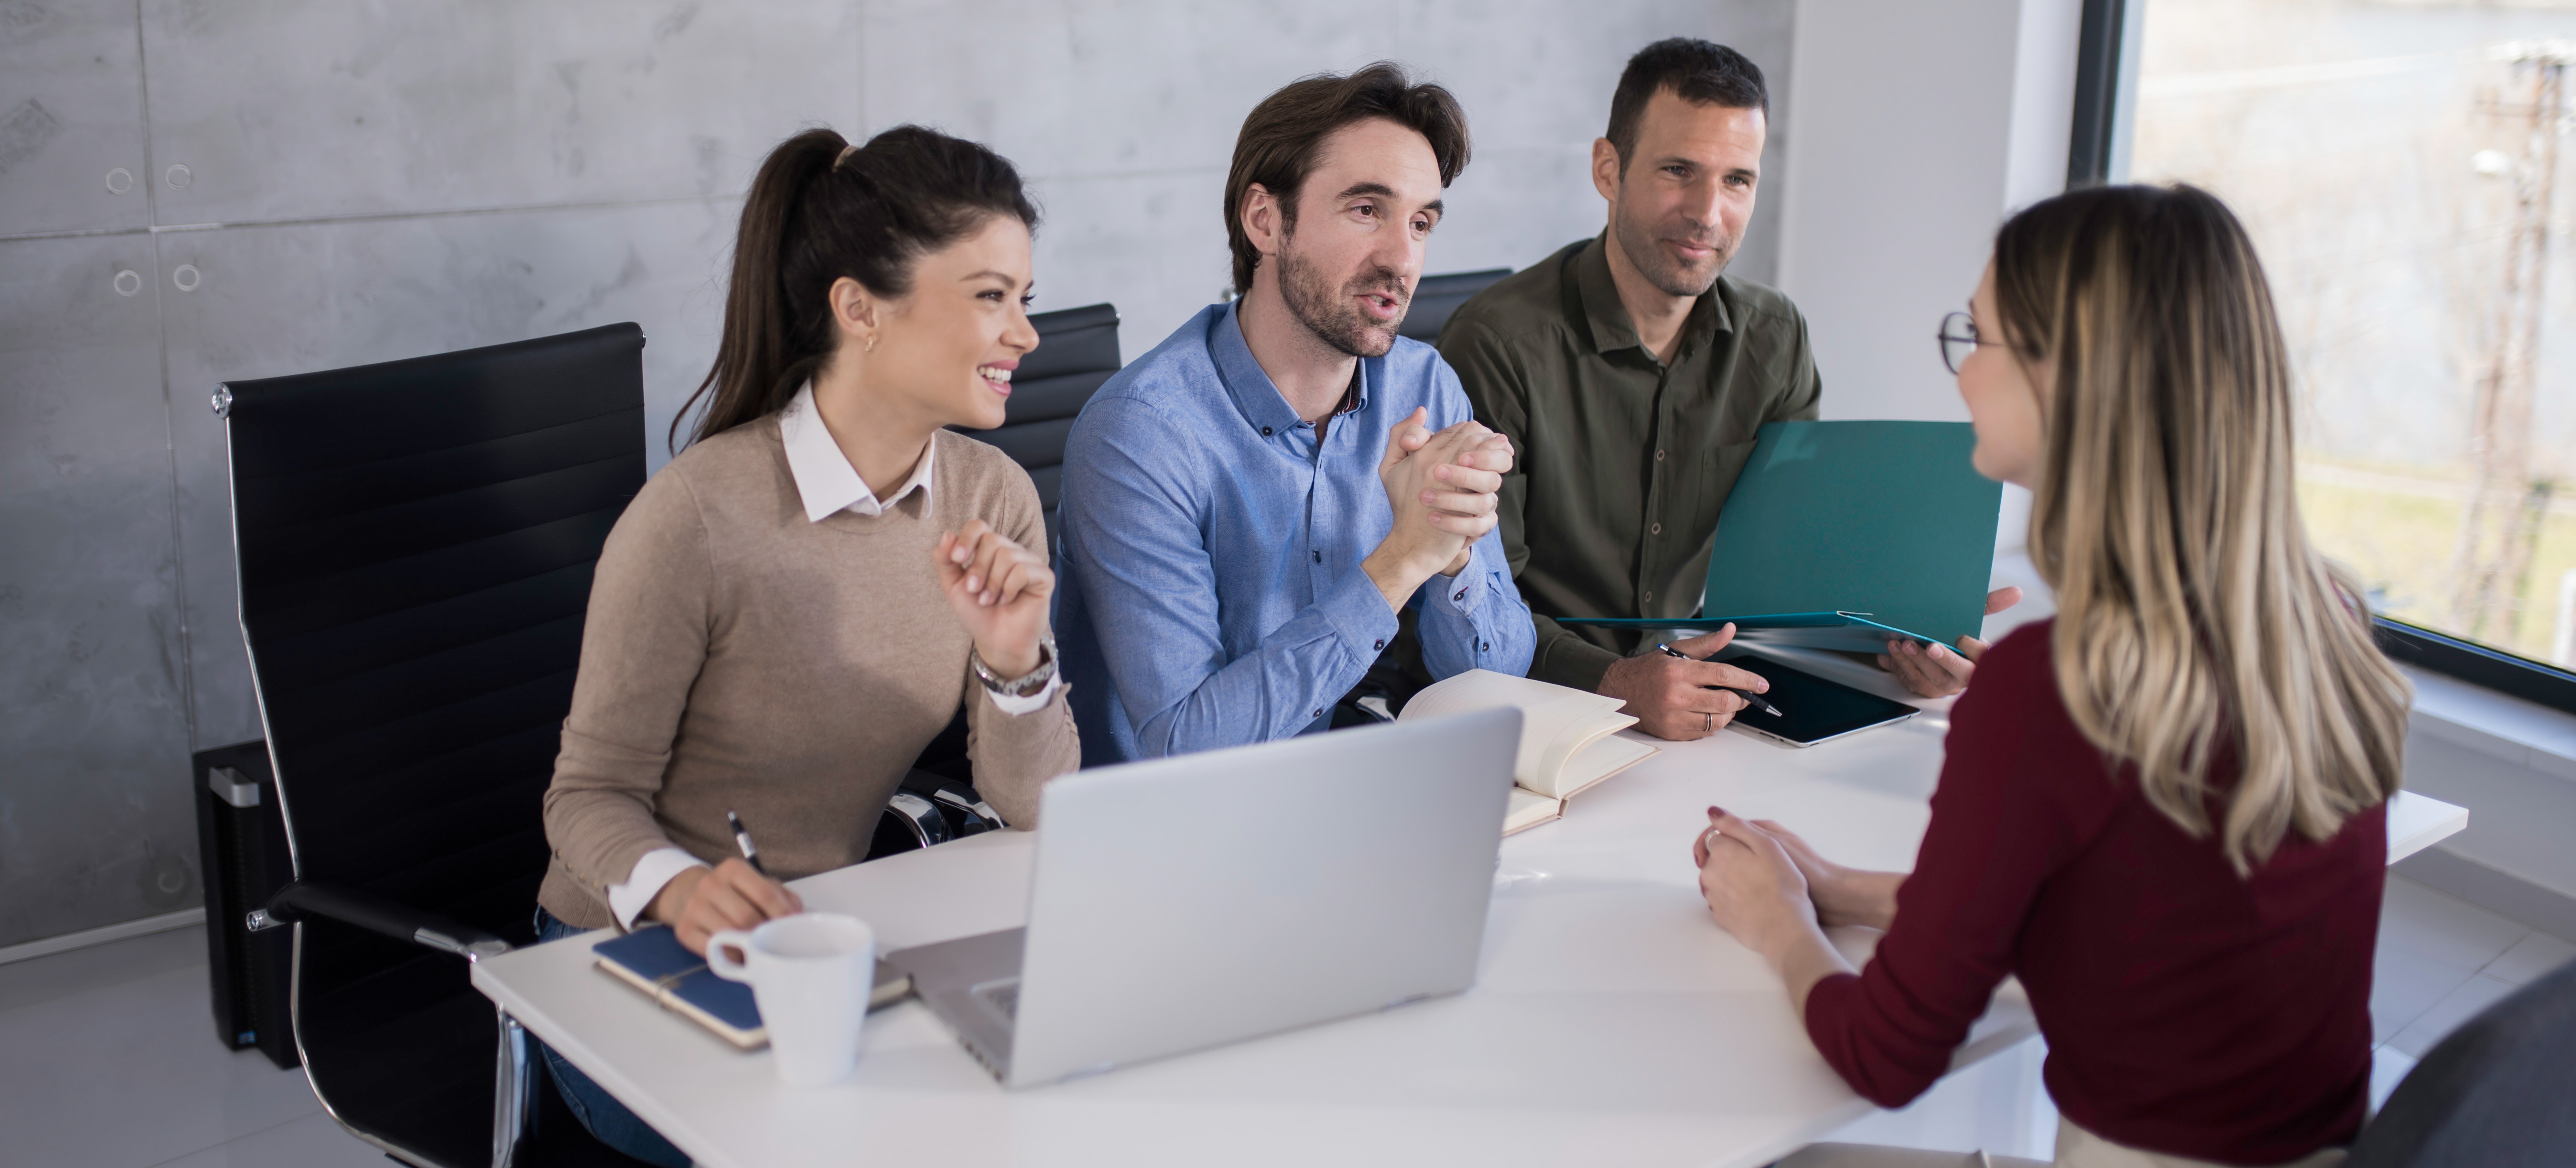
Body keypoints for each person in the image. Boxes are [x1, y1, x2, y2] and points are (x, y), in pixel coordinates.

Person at [1692, 184, 2411, 1168]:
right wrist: (1835, 887)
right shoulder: (2319, 613)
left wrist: (1775, 922)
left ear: (2069, 381)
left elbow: (1885, 1054)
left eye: (1976, 338)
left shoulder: (2055, 684)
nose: (1959, 378)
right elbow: (2117, 907)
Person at [534, 126, 1080, 1165]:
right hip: (635, 951)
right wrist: (677, 886)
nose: (1025, 336)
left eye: (1025, 299)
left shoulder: (990, 496)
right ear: (859, 307)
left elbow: (1033, 807)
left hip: (829, 937)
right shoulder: (692, 519)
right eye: (988, 296)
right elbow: (583, 799)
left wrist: (1015, 663)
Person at [1436, 38, 2017, 741]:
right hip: (1526, 710)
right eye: (1678, 171)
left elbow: (1798, 574)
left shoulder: (1773, 337)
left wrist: (1900, 645)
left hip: (1689, 696)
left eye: (1737, 180)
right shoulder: (1496, 345)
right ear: (1607, 169)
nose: (1708, 212)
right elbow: (1466, 601)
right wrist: (1614, 681)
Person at [1055, 63, 1535, 765]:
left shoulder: (1422, 386)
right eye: (1366, 209)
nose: (1402, 259)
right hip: (1151, 834)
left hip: (1327, 798)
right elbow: (1186, 746)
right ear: (1265, 221)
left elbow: (1494, 684)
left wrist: (1452, 551)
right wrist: (1401, 561)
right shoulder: (1139, 434)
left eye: (1421, 222)